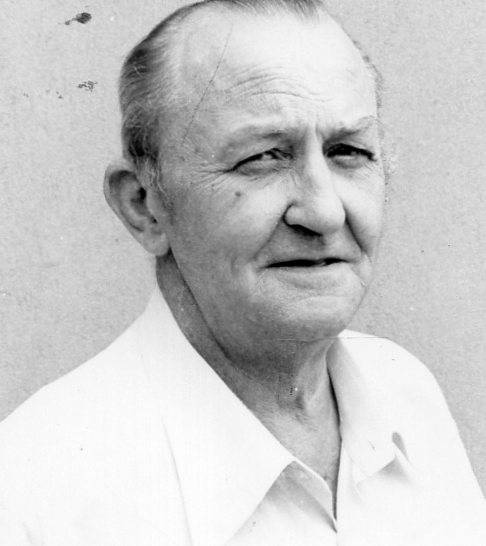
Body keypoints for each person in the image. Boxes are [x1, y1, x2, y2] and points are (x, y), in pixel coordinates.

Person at [0, 0, 484, 544]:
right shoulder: (36, 495)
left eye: (348, 152)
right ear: (144, 206)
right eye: (263, 158)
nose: (324, 212)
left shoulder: (405, 393)